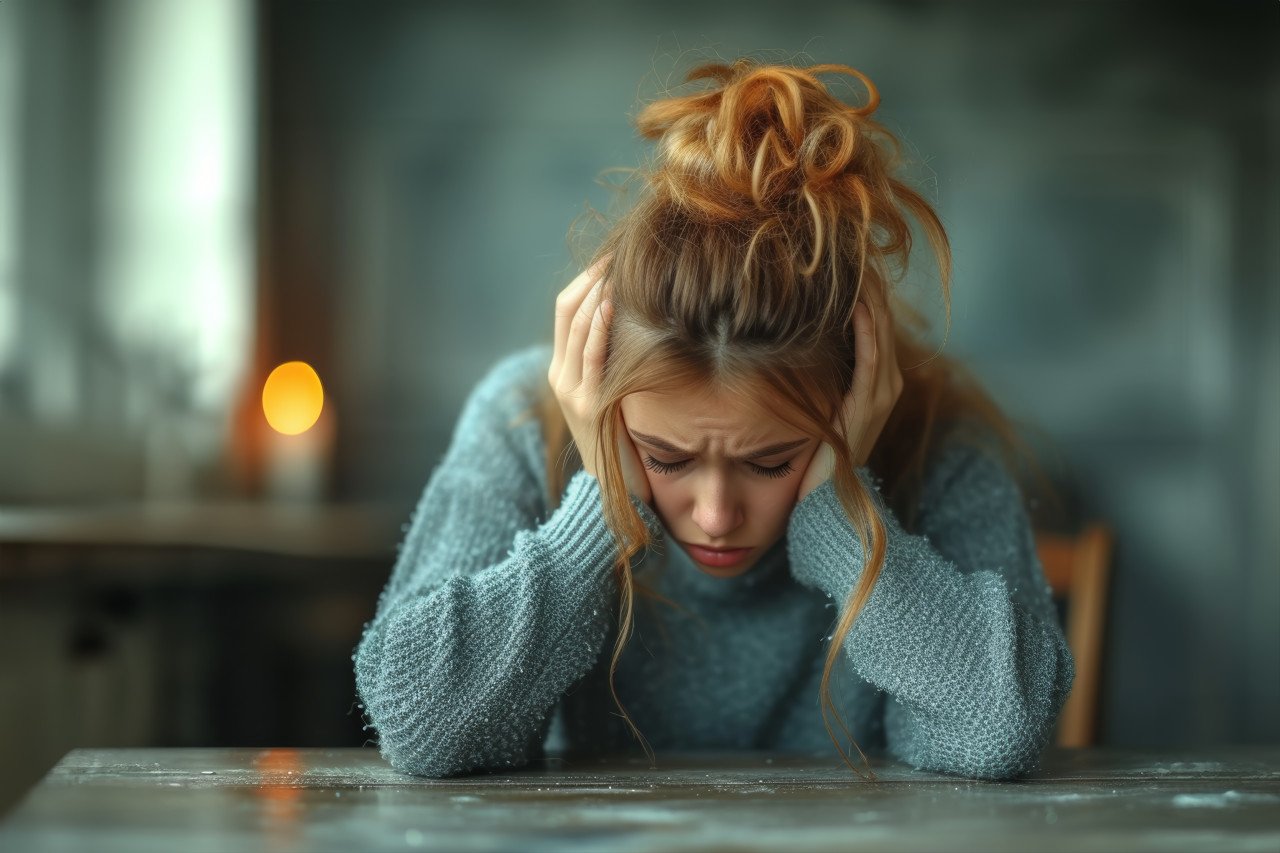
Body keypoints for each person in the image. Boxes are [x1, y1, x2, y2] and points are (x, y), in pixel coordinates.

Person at [353, 57, 1074, 783]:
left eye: (770, 462)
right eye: (666, 458)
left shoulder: (937, 435)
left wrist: (843, 508)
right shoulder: (519, 416)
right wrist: (605, 507)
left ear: (854, 393)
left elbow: (998, 730)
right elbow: (424, 727)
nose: (717, 514)